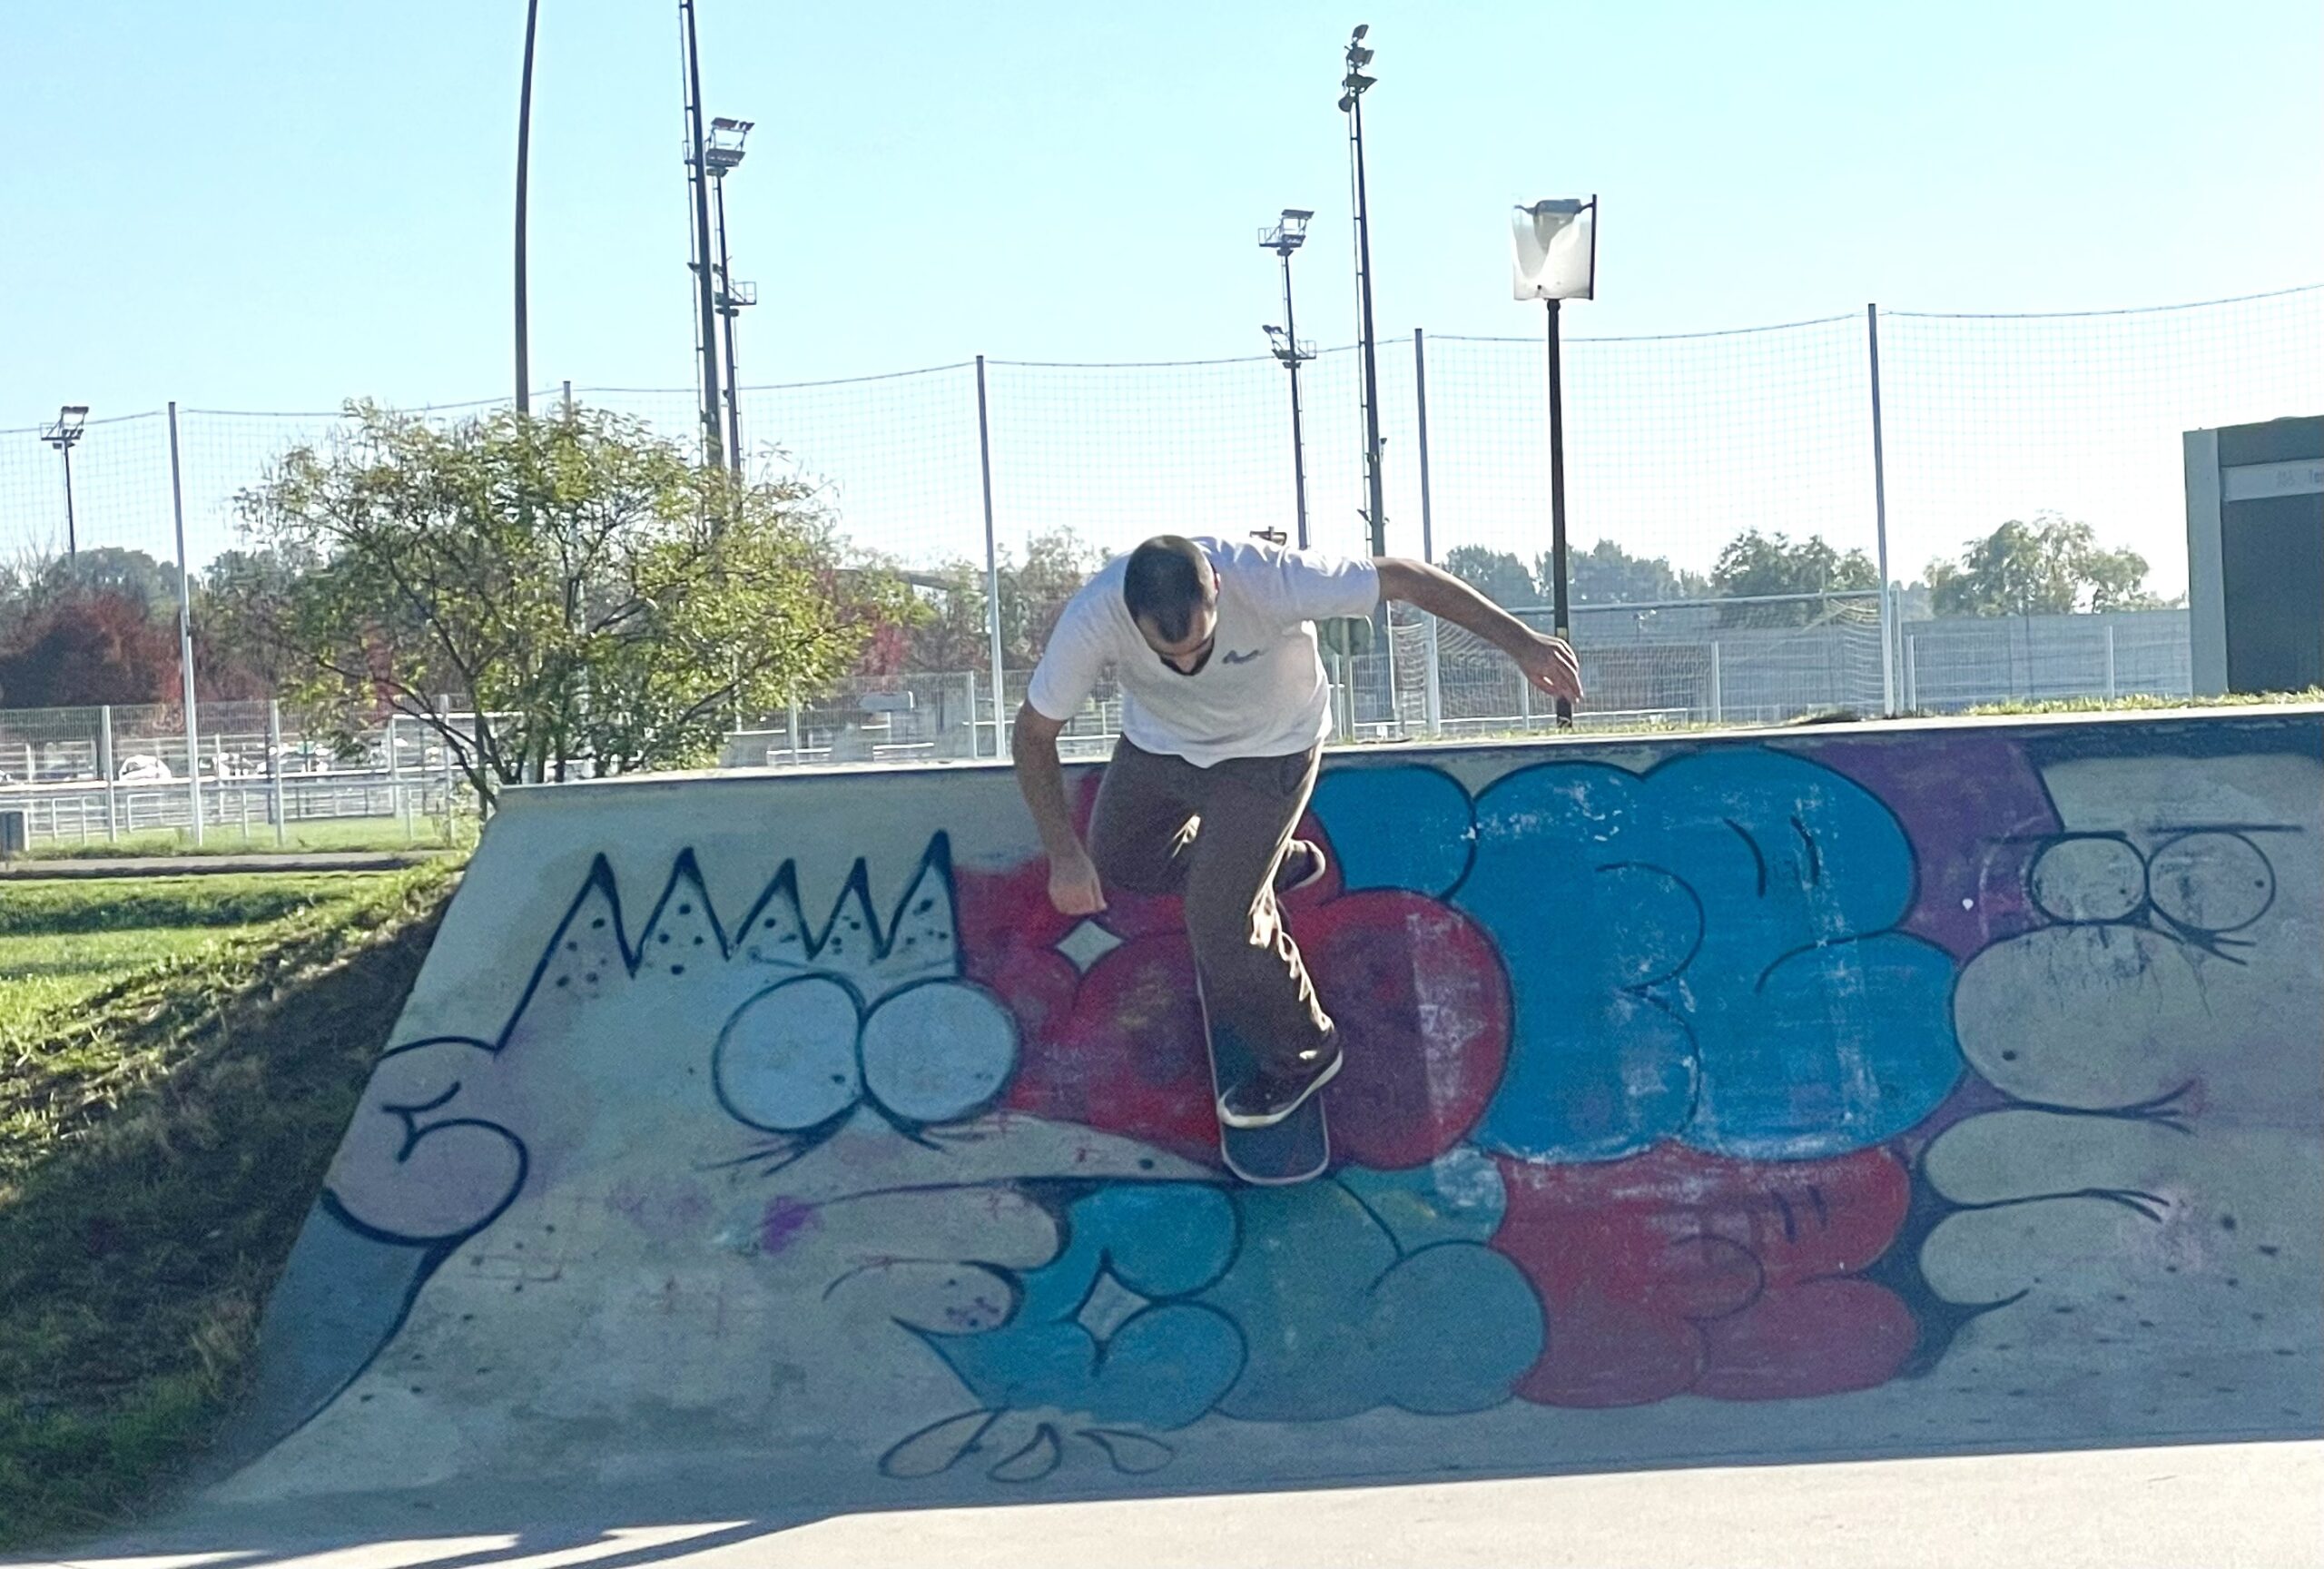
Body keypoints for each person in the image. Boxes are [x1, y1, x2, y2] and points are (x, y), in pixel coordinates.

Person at [1010, 534, 1582, 1128]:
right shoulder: (1095, 615)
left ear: (1220, 593)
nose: (1188, 665)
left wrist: (1525, 645)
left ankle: (1304, 1050)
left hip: (1270, 750)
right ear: (1131, 620)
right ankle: (1267, 866)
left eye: (1200, 647)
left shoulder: (1270, 577)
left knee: (1218, 921)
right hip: (1161, 748)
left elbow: (1407, 579)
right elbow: (1033, 734)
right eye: (1169, 655)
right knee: (1120, 861)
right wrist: (1063, 854)